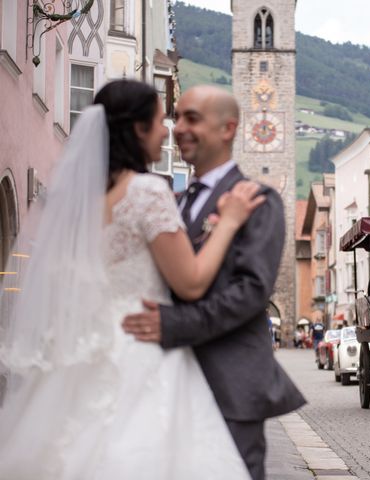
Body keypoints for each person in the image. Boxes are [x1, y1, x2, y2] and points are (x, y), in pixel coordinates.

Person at [0, 80, 261, 478]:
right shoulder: (146, 192)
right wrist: (228, 222)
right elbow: (190, 282)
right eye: (159, 120)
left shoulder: (78, 202)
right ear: (138, 129)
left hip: (84, 348)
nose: (167, 130)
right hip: (142, 348)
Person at [121, 85, 305, 480]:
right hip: (166, 381)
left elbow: (252, 292)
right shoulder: (174, 200)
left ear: (227, 129)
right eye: (175, 117)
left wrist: (173, 325)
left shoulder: (258, 199)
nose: (177, 128)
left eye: (192, 118)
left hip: (229, 383)